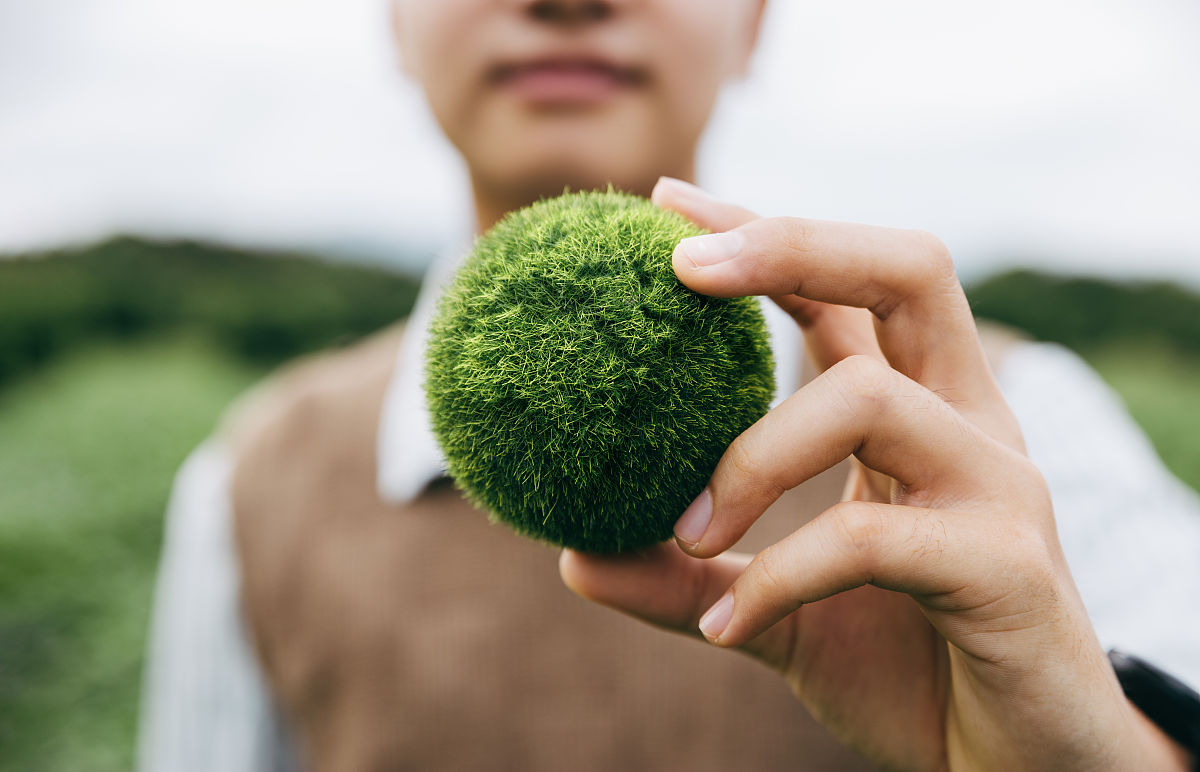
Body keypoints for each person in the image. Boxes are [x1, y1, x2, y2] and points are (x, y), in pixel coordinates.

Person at [137, 0, 1200, 769]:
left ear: (753, 24)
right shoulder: (249, 477)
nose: (564, 2)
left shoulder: (1016, 429)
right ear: (394, 23)